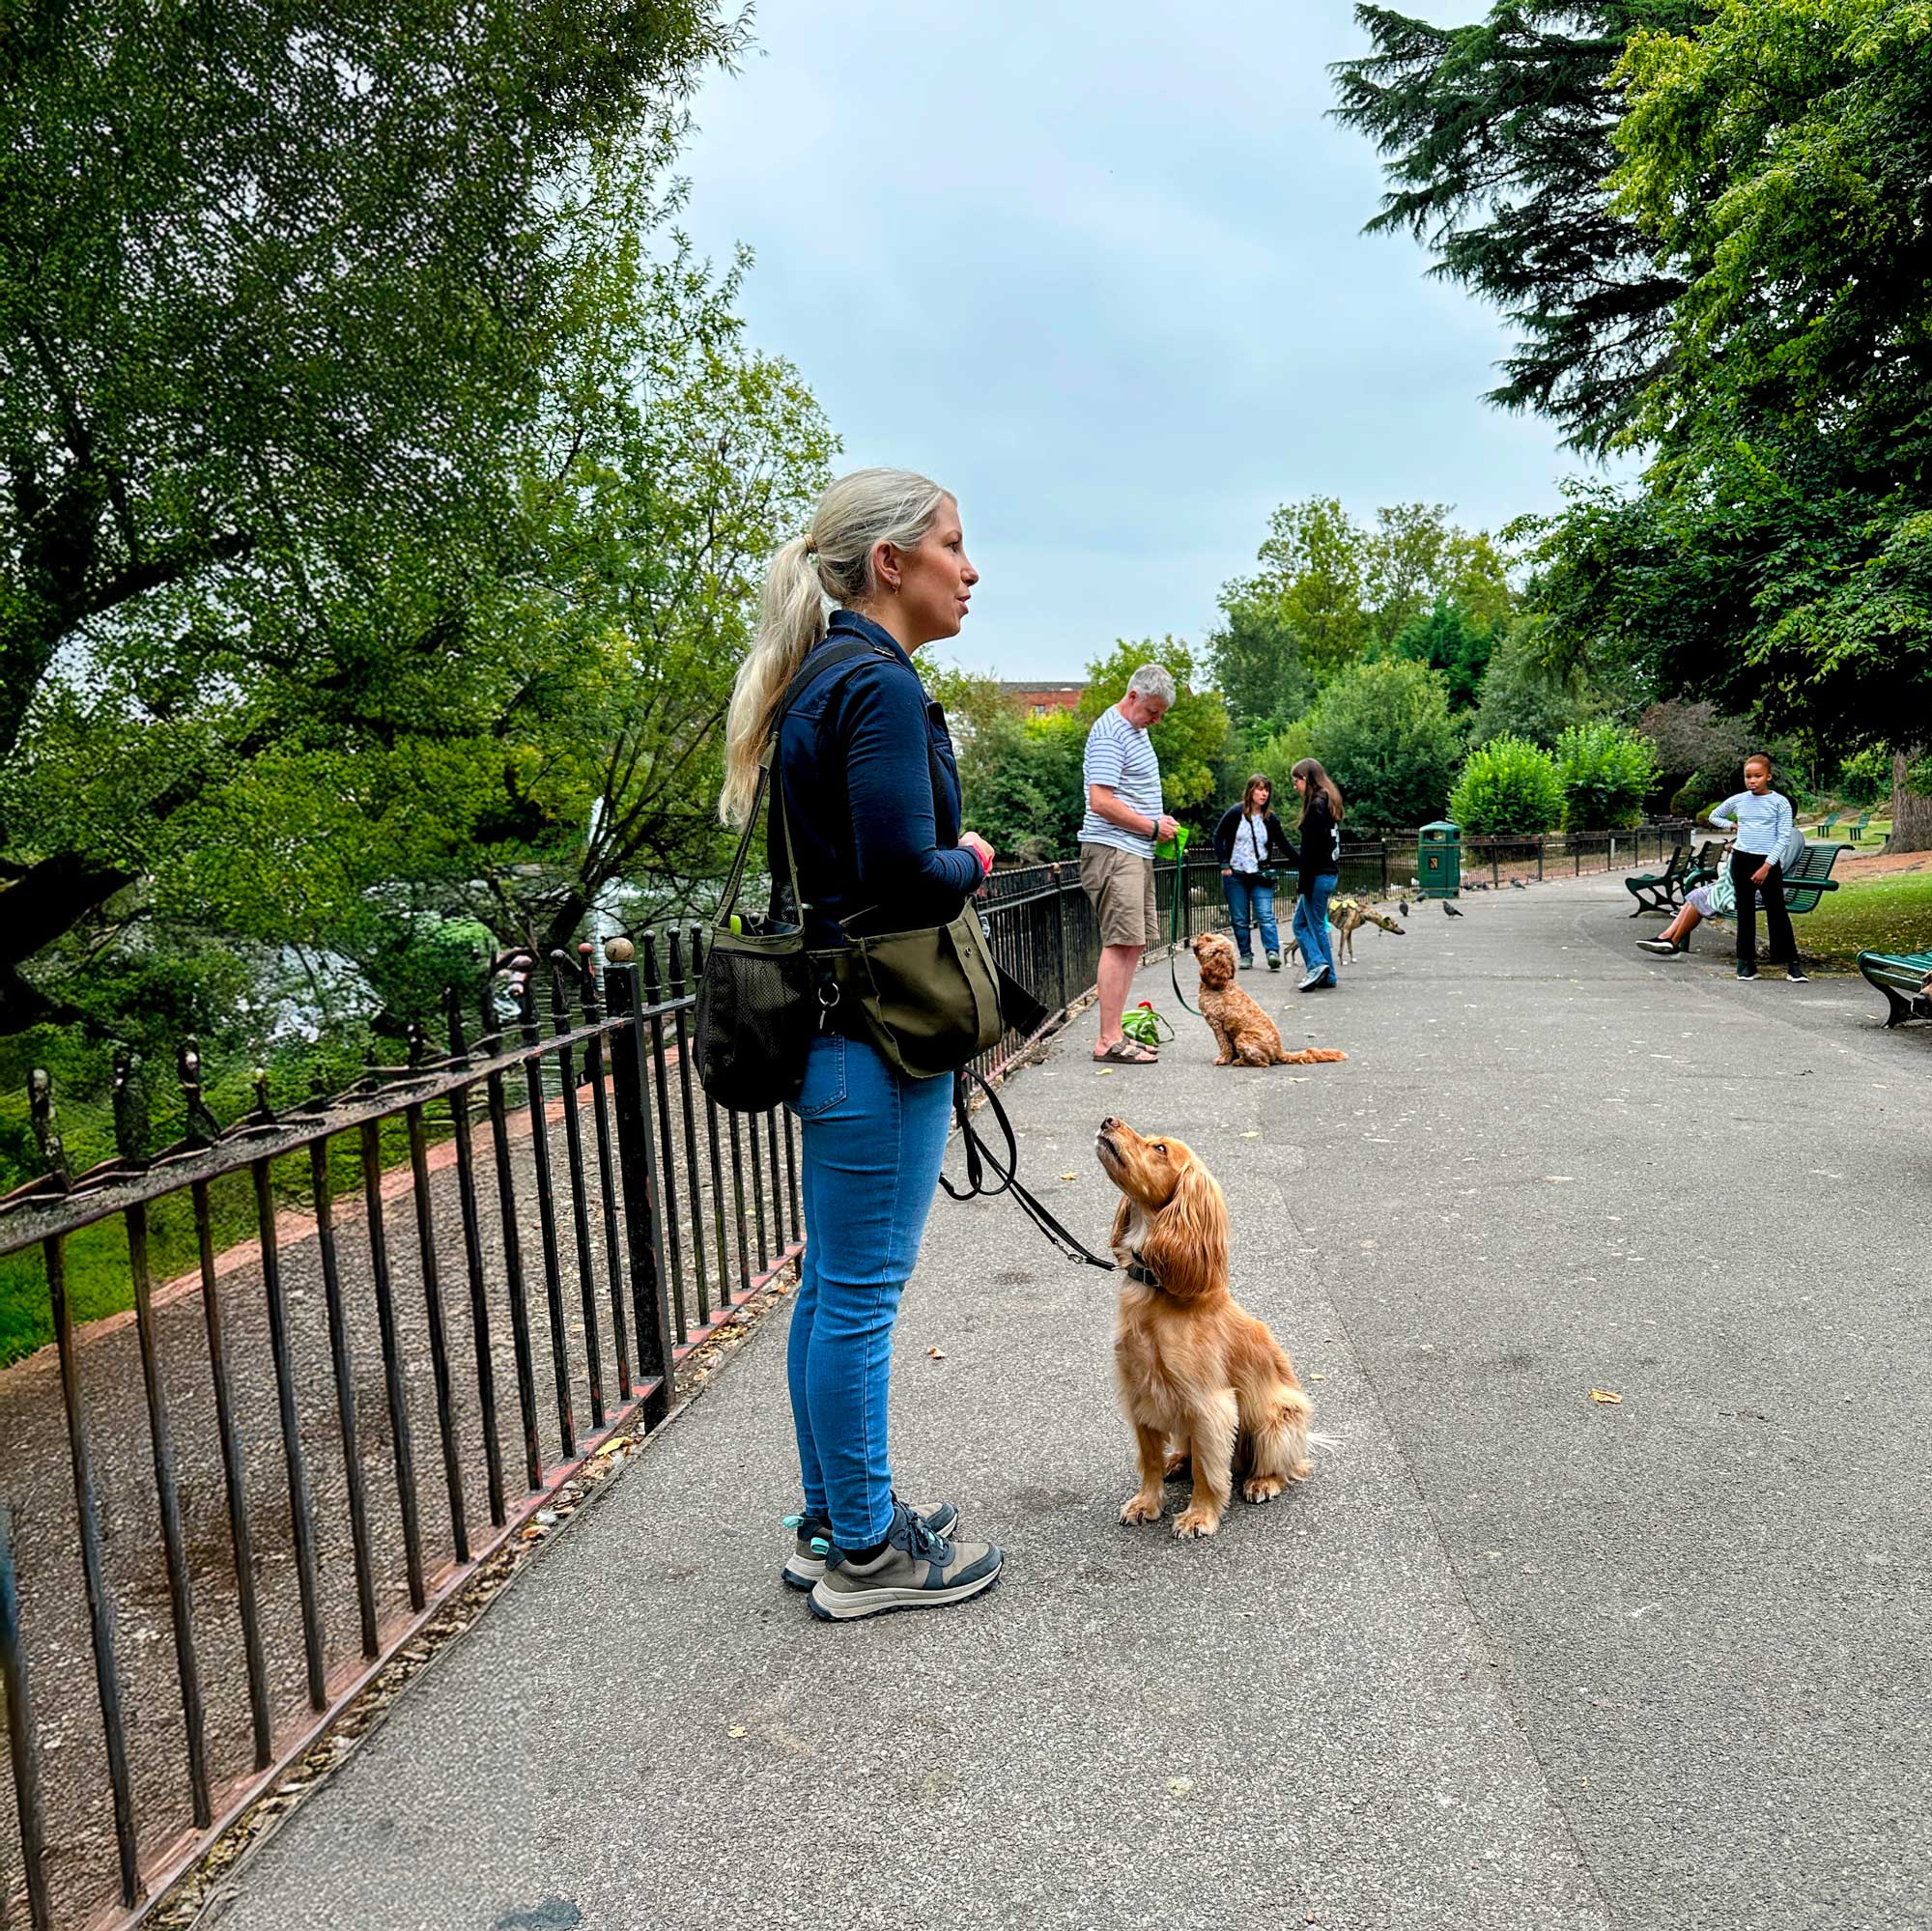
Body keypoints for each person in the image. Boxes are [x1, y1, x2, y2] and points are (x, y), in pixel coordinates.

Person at [719, 467, 1004, 1621]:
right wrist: (976, 858)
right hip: (877, 1035)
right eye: (950, 543)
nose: (968, 567)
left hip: (833, 1032)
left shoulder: (818, 676)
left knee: (830, 1291)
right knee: (858, 1299)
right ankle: (870, 1554)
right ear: (890, 563)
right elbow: (899, 876)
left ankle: (833, 1521)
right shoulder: (877, 687)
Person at [1078, 665, 1179, 1063]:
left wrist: (1156, 824)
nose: (1157, 719)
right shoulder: (1109, 732)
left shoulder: (1136, 730)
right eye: (1153, 711)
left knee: (1132, 941)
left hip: (1133, 849)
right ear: (1133, 696)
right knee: (1120, 942)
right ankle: (1107, 1040)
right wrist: (1152, 826)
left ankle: (1116, 1032)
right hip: (1114, 850)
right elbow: (1100, 802)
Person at [1708, 754, 1807, 982]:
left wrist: (1766, 866)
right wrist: (1733, 824)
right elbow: (1715, 816)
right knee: (1745, 913)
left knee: (1778, 912)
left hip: (1768, 862)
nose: (1752, 781)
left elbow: (1783, 837)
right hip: (1742, 859)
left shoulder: (1779, 802)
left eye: (1757, 776)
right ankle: (1746, 964)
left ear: (1768, 777)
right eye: (1748, 776)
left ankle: (1793, 965)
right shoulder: (1739, 800)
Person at [1213, 774, 1297, 970]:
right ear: (1250, 791)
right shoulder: (1235, 813)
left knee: (1265, 914)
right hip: (1236, 874)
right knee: (1240, 917)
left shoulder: (1270, 818)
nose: (1264, 793)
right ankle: (1245, 954)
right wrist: (1224, 863)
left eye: (1266, 790)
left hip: (1261, 874)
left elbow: (1283, 844)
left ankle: (1272, 952)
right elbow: (1218, 836)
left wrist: (1303, 862)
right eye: (1260, 789)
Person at [1290, 757, 1344, 992]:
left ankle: (1318, 965)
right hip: (1328, 873)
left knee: (1308, 926)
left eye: (1296, 781)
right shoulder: (1329, 801)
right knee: (1303, 923)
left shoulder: (1315, 807)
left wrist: (1303, 885)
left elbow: (1310, 851)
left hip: (1317, 875)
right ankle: (1326, 974)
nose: (1295, 786)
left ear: (1307, 779)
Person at [1636, 861, 1736, 955]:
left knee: (1700, 898)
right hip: (1735, 883)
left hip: (1741, 889)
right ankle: (1666, 937)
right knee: (1696, 895)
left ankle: (1673, 941)